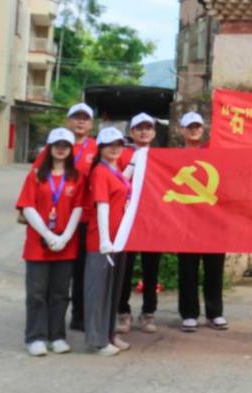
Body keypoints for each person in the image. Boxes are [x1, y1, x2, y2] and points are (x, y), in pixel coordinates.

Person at [15, 128, 84, 356]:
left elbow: (78, 208)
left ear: (71, 149)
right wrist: (48, 234)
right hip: (39, 243)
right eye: (57, 145)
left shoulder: (76, 177)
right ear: (49, 147)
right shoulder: (36, 175)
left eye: (65, 145)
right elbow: (27, 206)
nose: (61, 149)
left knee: (60, 293)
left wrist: (65, 237)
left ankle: (57, 336)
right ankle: (36, 337)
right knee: (36, 293)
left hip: (65, 244)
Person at [32, 103, 98, 332]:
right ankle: (50, 318)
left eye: (85, 118)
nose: (80, 121)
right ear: (68, 120)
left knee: (81, 270)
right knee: (56, 270)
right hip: (56, 218)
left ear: (91, 124)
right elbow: (36, 178)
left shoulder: (96, 148)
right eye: (76, 117)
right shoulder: (54, 147)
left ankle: (78, 315)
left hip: (85, 217)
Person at [175, 112, 228, 333]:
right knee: (188, 269)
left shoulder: (214, 152)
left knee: (214, 269)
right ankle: (189, 314)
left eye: (197, 126)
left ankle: (214, 312)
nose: (194, 130)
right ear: (181, 130)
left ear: (203, 129)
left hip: (213, 221)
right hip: (186, 222)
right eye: (190, 127)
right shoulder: (173, 157)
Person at [83, 127, 131, 356]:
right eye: (110, 144)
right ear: (100, 147)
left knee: (112, 291)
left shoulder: (116, 170)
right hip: (103, 241)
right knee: (99, 291)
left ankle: (108, 334)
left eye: (119, 144)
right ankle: (97, 340)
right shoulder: (100, 172)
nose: (115, 148)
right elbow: (102, 206)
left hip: (118, 239)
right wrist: (104, 239)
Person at [117, 112, 161, 334]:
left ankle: (148, 312)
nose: (144, 132)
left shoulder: (161, 157)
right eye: (139, 128)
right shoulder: (122, 154)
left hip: (153, 220)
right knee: (124, 268)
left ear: (154, 132)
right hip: (128, 219)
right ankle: (123, 312)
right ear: (132, 132)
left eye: (148, 128)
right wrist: (135, 161)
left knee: (151, 269)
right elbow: (117, 182)